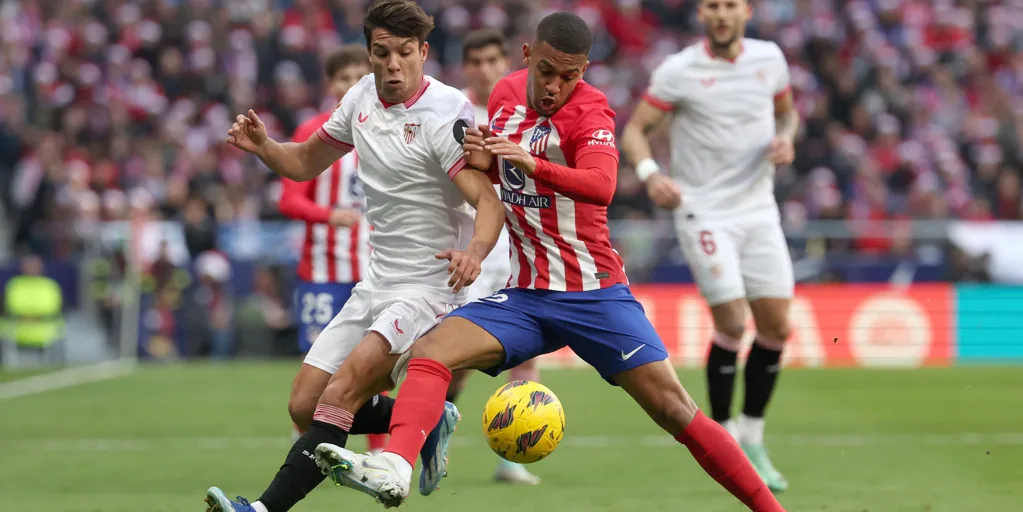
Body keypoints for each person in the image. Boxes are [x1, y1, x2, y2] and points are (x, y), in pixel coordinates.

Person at [314, 12, 786, 512]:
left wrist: (529, 162)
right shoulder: (503, 97)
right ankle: (397, 467)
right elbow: (497, 170)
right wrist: (485, 158)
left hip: (594, 295)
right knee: (428, 352)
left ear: (583, 72)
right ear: (527, 57)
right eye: (546, 71)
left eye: (570, 75)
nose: (555, 86)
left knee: (674, 409)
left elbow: (601, 186)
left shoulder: (592, 112)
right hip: (527, 295)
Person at [204, 1, 505, 511]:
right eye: (381, 53)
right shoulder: (359, 98)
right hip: (376, 285)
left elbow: (487, 201)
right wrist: (264, 147)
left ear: (423, 53)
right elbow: (303, 163)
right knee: (303, 404)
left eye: (404, 53)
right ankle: (429, 419)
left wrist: (474, 252)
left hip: (429, 290)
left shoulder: (445, 111)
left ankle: (258, 509)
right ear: (369, 53)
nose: (392, 65)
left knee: (341, 394)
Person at [619, 0, 799, 493]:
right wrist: (651, 173)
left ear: (747, 11)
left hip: (758, 208)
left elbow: (787, 116)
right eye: (713, 6)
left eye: (730, 5)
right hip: (703, 209)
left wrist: (786, 139)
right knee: (734, 322)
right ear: (701, 13)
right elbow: (635, 130)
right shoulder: (679, 70)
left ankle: (753, 438)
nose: (722, 14)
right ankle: (726, 439)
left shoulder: (770, 59)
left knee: (778, 326)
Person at [277, 44, 387, 453]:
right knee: (319, 367)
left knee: (372, 365)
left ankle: (377, 450)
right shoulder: (313, 131)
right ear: (331, 84)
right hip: (322, 273)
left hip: (373, 270)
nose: (352, 85)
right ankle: (313, 435)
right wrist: (329, 215)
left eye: (359, 76)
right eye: (343, 78)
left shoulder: (385, 129)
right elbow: (288, 199)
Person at [445, 27, 541, 486]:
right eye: (476, 62)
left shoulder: (523, 109)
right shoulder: (454, 110)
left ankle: (514, 456)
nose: (484, 70)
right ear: (466, 67)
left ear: (507, 62)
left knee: (527, 352)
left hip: (518, 247)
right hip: (472, 243)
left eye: (492, 61)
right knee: (458, 359)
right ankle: (432, 431)